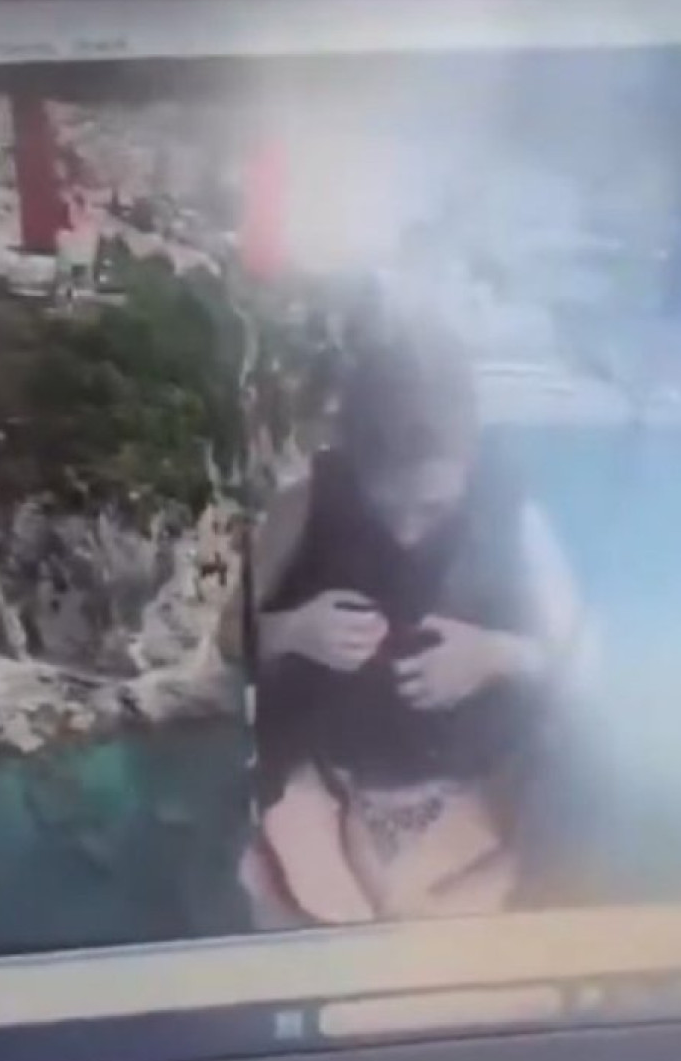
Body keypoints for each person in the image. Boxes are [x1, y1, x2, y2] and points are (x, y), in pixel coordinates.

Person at [222, 315, 590, 926]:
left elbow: (580, 664)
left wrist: (495, 654)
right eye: (387, 506)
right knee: (298, 896)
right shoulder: (306, 504)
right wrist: (291, 630)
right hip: (326, 777)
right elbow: (221, 644)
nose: (407, 533)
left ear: (468, 461)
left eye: (433, 508)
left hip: (465, 783)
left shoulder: (513, 514)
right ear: (355, 466)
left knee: (569, 781)